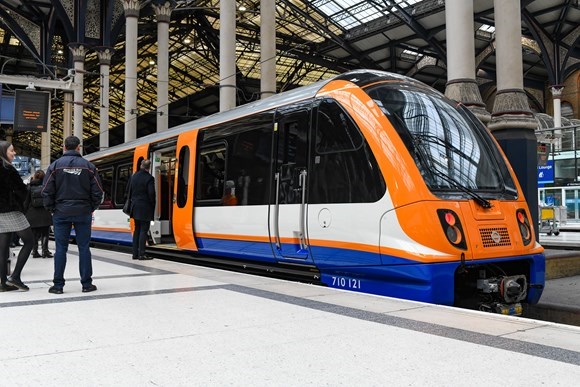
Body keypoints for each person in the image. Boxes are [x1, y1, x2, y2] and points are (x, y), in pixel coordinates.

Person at [42, 136, 104, 294]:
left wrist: (52, 208)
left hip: (61, 212)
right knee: (84, 248)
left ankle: (58, 286)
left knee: (60, 248)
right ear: (78, 147)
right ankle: (86, 284)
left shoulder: (54, 166)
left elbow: (46, 191)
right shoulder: (89, 166)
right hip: (83, 212)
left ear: (64, 147)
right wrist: (91, 207)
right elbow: (98, 191)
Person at [0, 141, 35, 291]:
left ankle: (3, 283)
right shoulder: (7, 169)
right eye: (11, 151)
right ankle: (15, 277)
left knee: (2, 249)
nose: (14, 153)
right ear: (3, 152)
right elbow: (21, 190)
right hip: (11, 210)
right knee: (29, 242)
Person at [127, 159, 156, 260]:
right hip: (145, 207)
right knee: (144, 230)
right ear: (149, 167)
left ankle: (135, 254)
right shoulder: (149, 178)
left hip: (135, 207)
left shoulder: (133, 176)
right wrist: (153, 204)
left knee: (137, 230)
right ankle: (142, 254)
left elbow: (128, 191)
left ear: (141, 165)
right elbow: (151, 193)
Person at [24, 169, 53, 258]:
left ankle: (35, 251)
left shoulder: (29, 187)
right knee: (45, 233)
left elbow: (26, 202)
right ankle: (45, 251)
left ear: (34, 177)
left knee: (34, 235)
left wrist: (25, 212)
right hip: (45, 213)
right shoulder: (47, 186)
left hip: (32, 214)